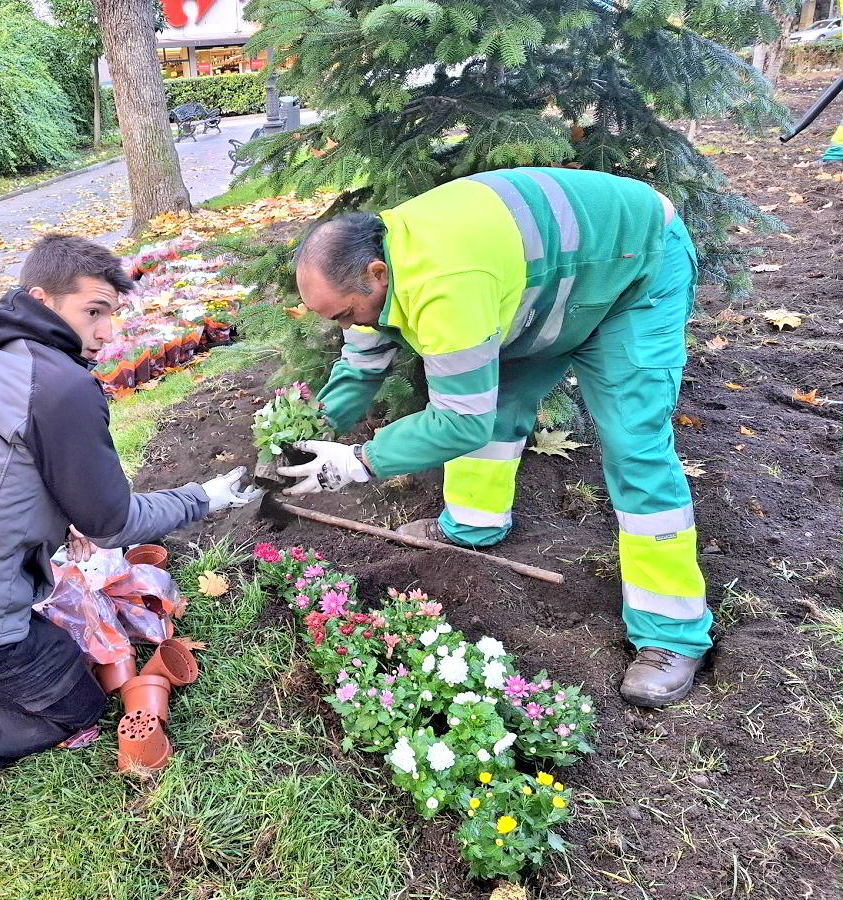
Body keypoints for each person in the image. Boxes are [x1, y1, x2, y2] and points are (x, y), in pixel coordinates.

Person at [0, 234, 260, 852]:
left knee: (34, 646)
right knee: (73, 700)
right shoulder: (61, 386)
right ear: (43, 299)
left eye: (111, 314)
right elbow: (111, 524)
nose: (106, 333)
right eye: (92, 311)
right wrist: (203, 496)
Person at [280, 167, 710, 709]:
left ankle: (671, 633)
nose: (347, 325)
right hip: (554, 285)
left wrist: (359, 461)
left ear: (377, 274)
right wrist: (308, 430)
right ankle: (472, 524)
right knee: (498, 396)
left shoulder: (447, 286)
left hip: (635, 268)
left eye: (346, 313)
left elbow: (461, 421)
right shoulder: (378, 264)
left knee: (635, 447)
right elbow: (362, 364)